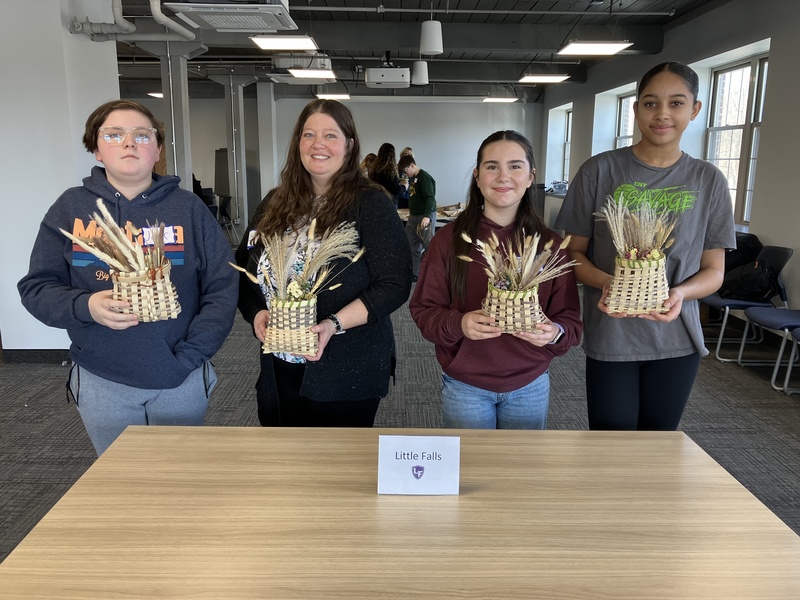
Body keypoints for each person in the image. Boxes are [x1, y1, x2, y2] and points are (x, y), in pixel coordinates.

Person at [18, 99, 238, 456]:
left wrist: (190, 356)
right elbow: (36, 288)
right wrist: (86, 305)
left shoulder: (188, 209)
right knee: (121, 482)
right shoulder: (70, 209)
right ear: (96, 150)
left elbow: (222, 287)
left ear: (158, 149)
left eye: (141, 135)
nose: (129, 142)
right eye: (114, 134)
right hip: (101, 377)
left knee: (180, 476)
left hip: (179, 373)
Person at [555, 61, 736, 431]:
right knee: (610, 442)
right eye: (651, 103)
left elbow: (714, 271)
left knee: (659, 444)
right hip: (612, 334)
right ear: (635, 108)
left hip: (677, 338)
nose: (663, 114)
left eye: (677, 103)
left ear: (695, 110)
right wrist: (609, 284)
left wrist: (680, 293)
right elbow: (571, 254)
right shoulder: (599, 170)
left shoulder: (708, 180)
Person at [235, 99, 412, 428]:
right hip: (279, 365)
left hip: (347, 368)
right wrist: (256, 312)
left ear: (349, 144)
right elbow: (244, 271)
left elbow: (395, 283)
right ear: (298, 143)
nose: (318, 144)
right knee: (284, 465)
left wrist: (332, 324)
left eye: (331, 135)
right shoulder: (274, 203)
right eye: (309, 134)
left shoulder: (370, 203)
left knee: (338, 470)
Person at [409, 130, 582, 429]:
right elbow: (424, 310)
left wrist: (554, 333)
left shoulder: (551, 246)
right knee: (470, 472)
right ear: (477, 176)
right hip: (466, 384)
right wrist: (460, 324)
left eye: (515, 166)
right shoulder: (448, 241)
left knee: (519, 473)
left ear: (531, 176)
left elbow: (571, 323)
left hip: (530, 382)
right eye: (492, 166)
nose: (503, 176)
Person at [398, 154, 437, 281]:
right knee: (411, 244)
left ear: (412, 165)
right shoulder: (412, 178)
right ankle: (415, 273)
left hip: (424, 216)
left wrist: (427, 216)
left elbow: (430, 198)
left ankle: (433, 272)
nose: (405, 174)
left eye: (406, 170)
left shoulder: (424, 178)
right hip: (413, 216)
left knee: (429, 245)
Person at [368, 142, 403, 207]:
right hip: (389, 201)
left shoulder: (374, 170)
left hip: (376, 200)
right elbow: (396, 190)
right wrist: (404, 187)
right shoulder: (390, 171)